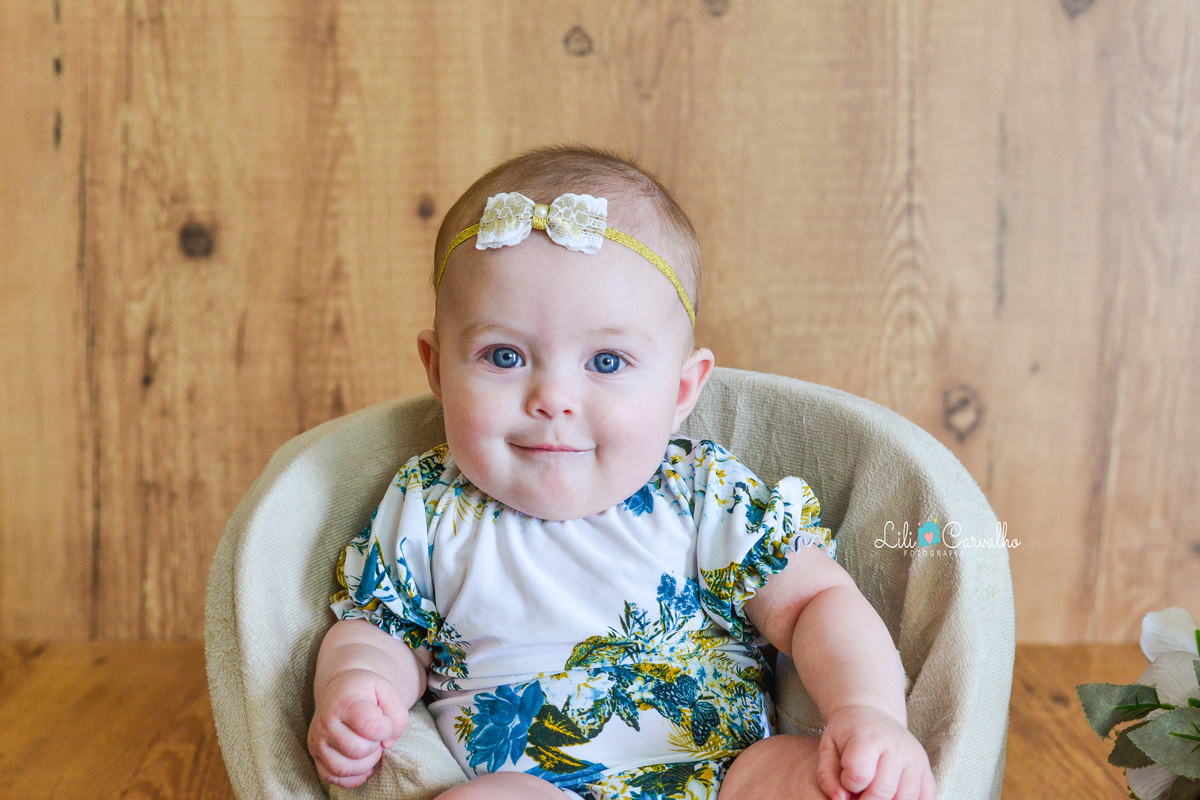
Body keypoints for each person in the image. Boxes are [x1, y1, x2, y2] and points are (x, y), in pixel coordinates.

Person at [307, 145, 935, 800]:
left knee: (819, 778)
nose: (553, 397)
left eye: (606, 362)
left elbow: (815, 602)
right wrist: (358, 689)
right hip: (530, 787)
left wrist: (868, 714)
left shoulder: (702, 495)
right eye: (503, 355)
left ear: (682, 389)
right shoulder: (429, 507)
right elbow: (379, 629)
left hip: (728, 779)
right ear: (437, 369)